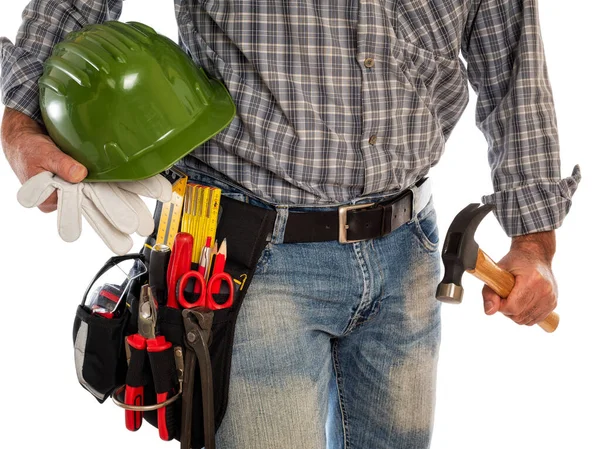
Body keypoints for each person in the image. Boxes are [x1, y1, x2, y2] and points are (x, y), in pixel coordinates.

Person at [0, 1, 580, 449]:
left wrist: (534, 241)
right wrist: (21, 125)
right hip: (245, 252)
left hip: (411, 251)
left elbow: (511, 60)